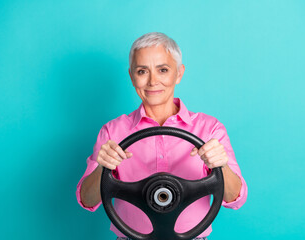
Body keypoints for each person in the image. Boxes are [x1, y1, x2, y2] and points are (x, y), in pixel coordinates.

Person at [76, 32, 248, 240]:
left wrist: (221, 165)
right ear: (131, 76)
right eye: (142, 71)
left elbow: (236, 198)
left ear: (179, 73)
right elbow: (87, 200)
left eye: (163, 70)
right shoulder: (113, 132)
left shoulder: (210, 129)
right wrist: (103, 167)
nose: (153, 81)